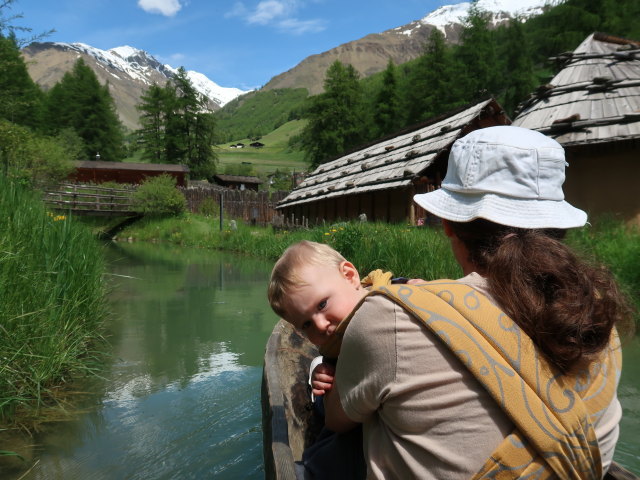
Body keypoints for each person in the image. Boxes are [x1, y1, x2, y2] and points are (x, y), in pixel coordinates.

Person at [323, 126, 633, 479]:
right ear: (558, 227)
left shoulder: (392, 315)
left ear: (450, 225)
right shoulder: (598, 315)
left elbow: (337, 419)